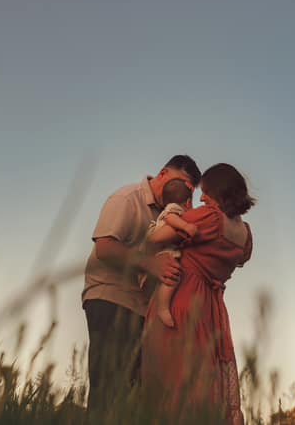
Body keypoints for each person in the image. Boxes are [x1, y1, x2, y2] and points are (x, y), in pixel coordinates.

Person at [81, 155, 201, 416]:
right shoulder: (127, 198)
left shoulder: (171, 213)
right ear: (162, 174)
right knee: (109, 386)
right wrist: (151, 264)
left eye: (191, 190)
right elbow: (105, 248)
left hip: (143, 309)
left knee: (136, 393)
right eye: (182, 183)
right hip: (110, 297)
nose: (184, 192)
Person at [140, 163, 255, 425]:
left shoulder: (209, 217)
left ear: (219, 192)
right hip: (212, 309)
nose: (201, 198)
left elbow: (155, 239)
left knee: (172, 381)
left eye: (206, 191)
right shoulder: (246, 235)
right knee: (205, 384)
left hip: (182, 298)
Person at [142, 178, 197, 328]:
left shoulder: (169, 207)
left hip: (162, 250)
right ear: (187, 202)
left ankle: (150, 292)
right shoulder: (174, 209)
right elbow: (170, 218)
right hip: (166, 251)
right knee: (172, 277)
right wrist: (186, 226)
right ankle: (163, 308)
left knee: (164, 278)